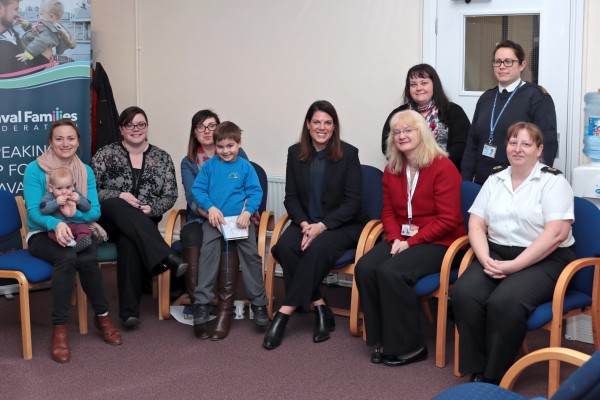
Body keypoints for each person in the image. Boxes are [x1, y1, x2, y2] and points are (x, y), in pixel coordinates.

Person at [452, 122, 575, 384]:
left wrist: (514, 266)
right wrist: (484, 256)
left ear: (539, 149)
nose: (518, 149)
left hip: (546, 258)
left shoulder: (554, 182)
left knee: (504, 302)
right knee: (465, 293)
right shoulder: (495, 179)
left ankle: (496, 376)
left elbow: (556, 234)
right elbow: (476, 222)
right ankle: (478, 365)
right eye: (513, 142)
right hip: (496, 251)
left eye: (526, 144)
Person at [356, 109, 465, 366]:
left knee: (392, 272)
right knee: (366, 267)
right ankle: (383, 337)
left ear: (422, 133)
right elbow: (388, 211)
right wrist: (395, 238)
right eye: (397, 132)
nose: (402, 136)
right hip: (402, 237)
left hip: (442, 241)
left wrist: (410, 242)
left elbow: (448, 220)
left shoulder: (442, 166)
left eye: (408, 130)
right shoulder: (393, 168)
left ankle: (411, 347)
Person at [263, 100, 368, 350]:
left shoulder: (349, 154)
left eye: (328, 122)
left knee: (316, 249)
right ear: (308, 125)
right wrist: (304, 223)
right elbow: (291, 197)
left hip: (340, 225)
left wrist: (321, 226)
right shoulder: (294, 152)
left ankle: (283, 314)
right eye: (317, 122)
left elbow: (352, 203)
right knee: (284, 248)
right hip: (305, 223)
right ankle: (320, 306)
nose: (322, 127)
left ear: (334, 127)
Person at [24, 119, 122, 363]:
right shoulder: (35, 170)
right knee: (66, 257)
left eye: (71, 138)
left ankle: (103, 317)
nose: (65, 143)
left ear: (78, 142)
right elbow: (34, 213)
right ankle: (60, 329)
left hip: (79, 231)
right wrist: (56, 223)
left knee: (87, 258)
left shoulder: (84, 171)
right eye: (59, 138)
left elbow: (93, 213)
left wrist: (71, 215)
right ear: (50, 142)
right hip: (42, 233)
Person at [91, 106, 186, 329]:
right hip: (109, 223)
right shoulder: (105, 154)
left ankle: (129, 313)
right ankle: (167, 255)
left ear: (147, 127)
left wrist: (151, 209)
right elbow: (90, 190)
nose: (136, 129)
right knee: (117, 203)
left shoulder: (161, 158)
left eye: (141, 124)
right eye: (130, 125)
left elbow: (170, 194)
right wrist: (119, 194)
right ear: (121, 129)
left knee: (129, 242)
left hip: (144, 222)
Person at [190, 121, 269, 340]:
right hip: (216, 222)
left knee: (252, 257)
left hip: (241, 222)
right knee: (207, 255)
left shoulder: (245, 167)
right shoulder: (209, 166)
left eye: (230, 146)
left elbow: (255, 192)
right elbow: (198, 190)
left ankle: (259, 304)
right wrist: (211, 208)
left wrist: (248, 212)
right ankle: (203, 304)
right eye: (221, 146)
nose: (225, 151)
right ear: (215, 146)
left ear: (239, 144)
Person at [180, 109, 250, 340]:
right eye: (201, 127)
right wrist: (209, 211)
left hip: (230, 218)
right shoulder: (189, 162)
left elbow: (247, 191)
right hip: (199, 217)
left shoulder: (239, 156)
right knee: (190, 238)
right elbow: (192, 198)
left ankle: (224, 310)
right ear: (195, 133)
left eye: (212, 126)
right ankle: (200, 307)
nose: (207, 131)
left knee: (226, 239)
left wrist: (239, 214)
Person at [461, 40, 558, 184]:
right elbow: (472, 145)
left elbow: (547, 145)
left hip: (517, 184)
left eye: (508, 62)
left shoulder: (536, 96)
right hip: (482, 182)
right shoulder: (486, 98)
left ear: (522, 65)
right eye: (497, 62)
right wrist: (465, 181)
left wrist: (536, 183)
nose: (502, 67)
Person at [381, 64, 470, 171]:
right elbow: (387, 146)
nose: (419, 88)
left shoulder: (454, 111)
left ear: (434, 85)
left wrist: (435, 167)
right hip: (408, 172)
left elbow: (461, 146)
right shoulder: (399, 114)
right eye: (413, 84)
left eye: (424, 83)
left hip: (443, 171)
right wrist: (411, 166)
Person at [40, 166, 93, 252]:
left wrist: (79, 200)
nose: (64, 191)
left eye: (68, 187)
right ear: (51, 188)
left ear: (73, 186)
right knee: (53, 234)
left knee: (84, 228)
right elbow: (43, 209)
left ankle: (81, 242)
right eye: (59, 188)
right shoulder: (49, 196)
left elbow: (88, 206)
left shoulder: (74, 194)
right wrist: (56, 202)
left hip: (74, 223)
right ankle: (68, 242)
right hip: (59, 226)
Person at [16, 0, 75, 65]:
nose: (39, 15)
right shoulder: (47, 26)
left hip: (32, 55)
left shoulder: (50, 31)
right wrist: (26, 25)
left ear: (51, 17)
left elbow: (40, 42)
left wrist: (28, 54)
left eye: (41, 14)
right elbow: (35, 32)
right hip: (32, 52)